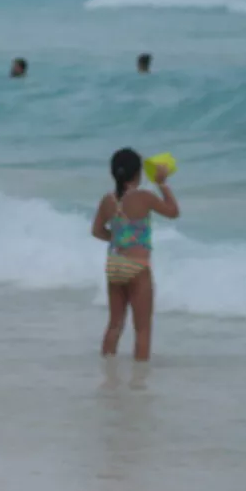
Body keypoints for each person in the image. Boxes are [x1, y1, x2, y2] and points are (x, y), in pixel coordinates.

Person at [90, 148, 179, 372]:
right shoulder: (143, 197)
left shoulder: (107, 200)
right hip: (138, 267)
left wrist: (119, 239)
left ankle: (107, 372)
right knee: (142, 329)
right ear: (138, 174)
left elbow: (97, 231)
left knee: (115, 324)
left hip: (114, 265)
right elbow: (173, 211)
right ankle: (140, 381)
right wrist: (162, 183)